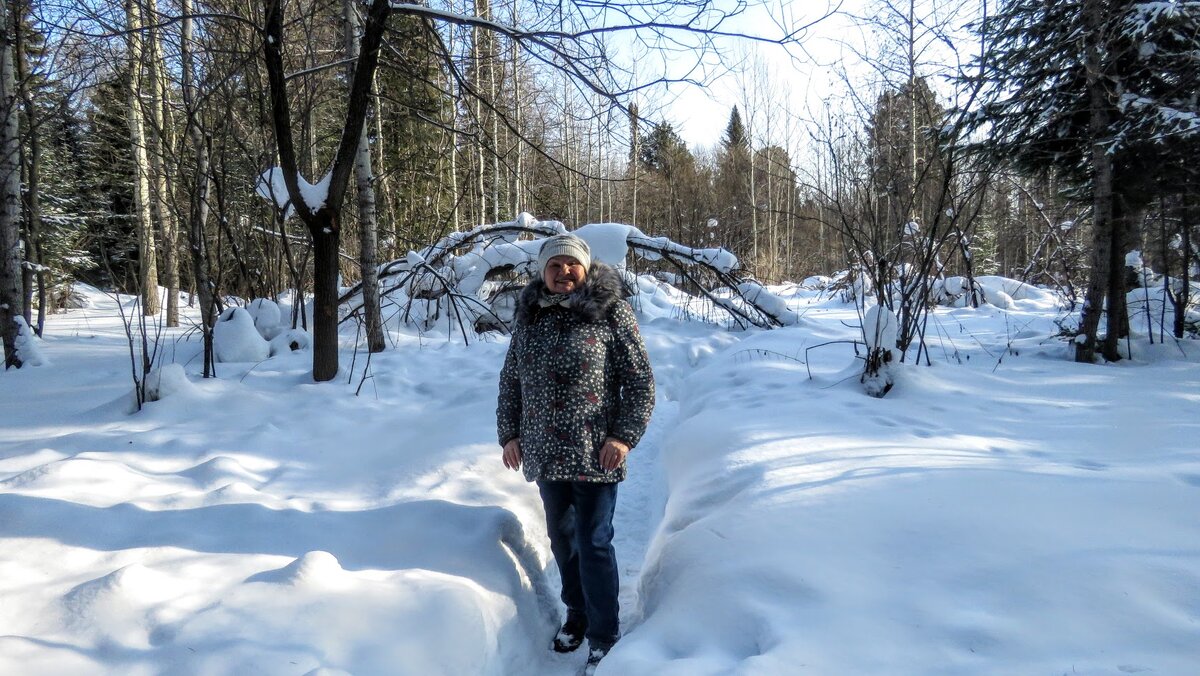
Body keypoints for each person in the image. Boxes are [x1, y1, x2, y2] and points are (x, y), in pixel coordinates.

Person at [497, 233, 655, 670]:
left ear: (585, 270)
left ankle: (605, 632)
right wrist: (509, 433)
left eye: (571, 265)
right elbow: (511, 380)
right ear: (542, 273)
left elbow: (640, 381)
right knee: (563, 539)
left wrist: (622, 437)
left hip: (595, 452)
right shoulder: (530, 317)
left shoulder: (611, 312)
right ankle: (578, 615)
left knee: (594, 540)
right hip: (546, 452)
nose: (563, 272)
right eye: (554, 266)